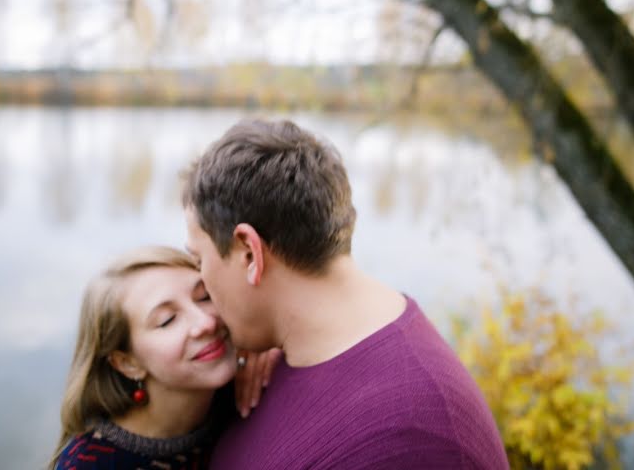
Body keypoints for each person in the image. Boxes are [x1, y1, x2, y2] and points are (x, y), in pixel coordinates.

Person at [182, 118, 509, 469]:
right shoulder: (284, 355)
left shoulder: (411, 442)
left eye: (199, 259)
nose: (202, 282)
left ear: (249, 253)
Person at [50, 246, 255, 470]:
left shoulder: (247, 389)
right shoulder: (88, 465)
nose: (206, 322)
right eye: (167, 320)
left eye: (205, 296)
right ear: (127, 364)